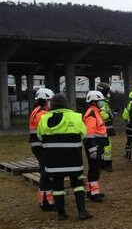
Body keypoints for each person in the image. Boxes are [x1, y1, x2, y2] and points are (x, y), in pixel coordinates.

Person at [37, 93, 92, 221]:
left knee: (57, 186)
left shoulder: (44, 119)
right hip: (73, 159)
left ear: (52, 104)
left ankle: (61, 214)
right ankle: (82, 212)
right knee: (78, 183)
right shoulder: (76, 117)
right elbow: (84, 134)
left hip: (53, 161)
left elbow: (40, 136)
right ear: (66, 103)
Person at [29, 87, 55, 211]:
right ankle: (46, 202)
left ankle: (45, 199)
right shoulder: (42, 114)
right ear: (44, 100)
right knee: (46, 172)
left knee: (45, 171)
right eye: (49, 100)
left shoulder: (36, 110)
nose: (51, 103)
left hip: (37, 145)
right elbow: (48, 130)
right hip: (41, 146)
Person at [83, 90, 109, 202]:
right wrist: (93, 149)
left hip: (97, 144)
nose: (102, 102)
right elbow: (89, 133)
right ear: (94, 101)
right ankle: (93, 194)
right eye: (100, 101)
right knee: (94, 169)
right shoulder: (91, 114)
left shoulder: (96, 112)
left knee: (95, 168)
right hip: (94, 145)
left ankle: (92, 191)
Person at [97, 82, 115, 171]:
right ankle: (107, 165)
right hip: (103, 127)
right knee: (107, 146)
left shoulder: (98, 100)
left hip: (100, 127)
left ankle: (101, 164)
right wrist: (111, 115)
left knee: (100, 146)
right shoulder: (102, 102)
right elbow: (103, 116)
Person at [122, 90, 132, 160]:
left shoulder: (128, 105)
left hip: (130, 125)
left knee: (129, 140)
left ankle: (128, 155)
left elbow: (124, 116)